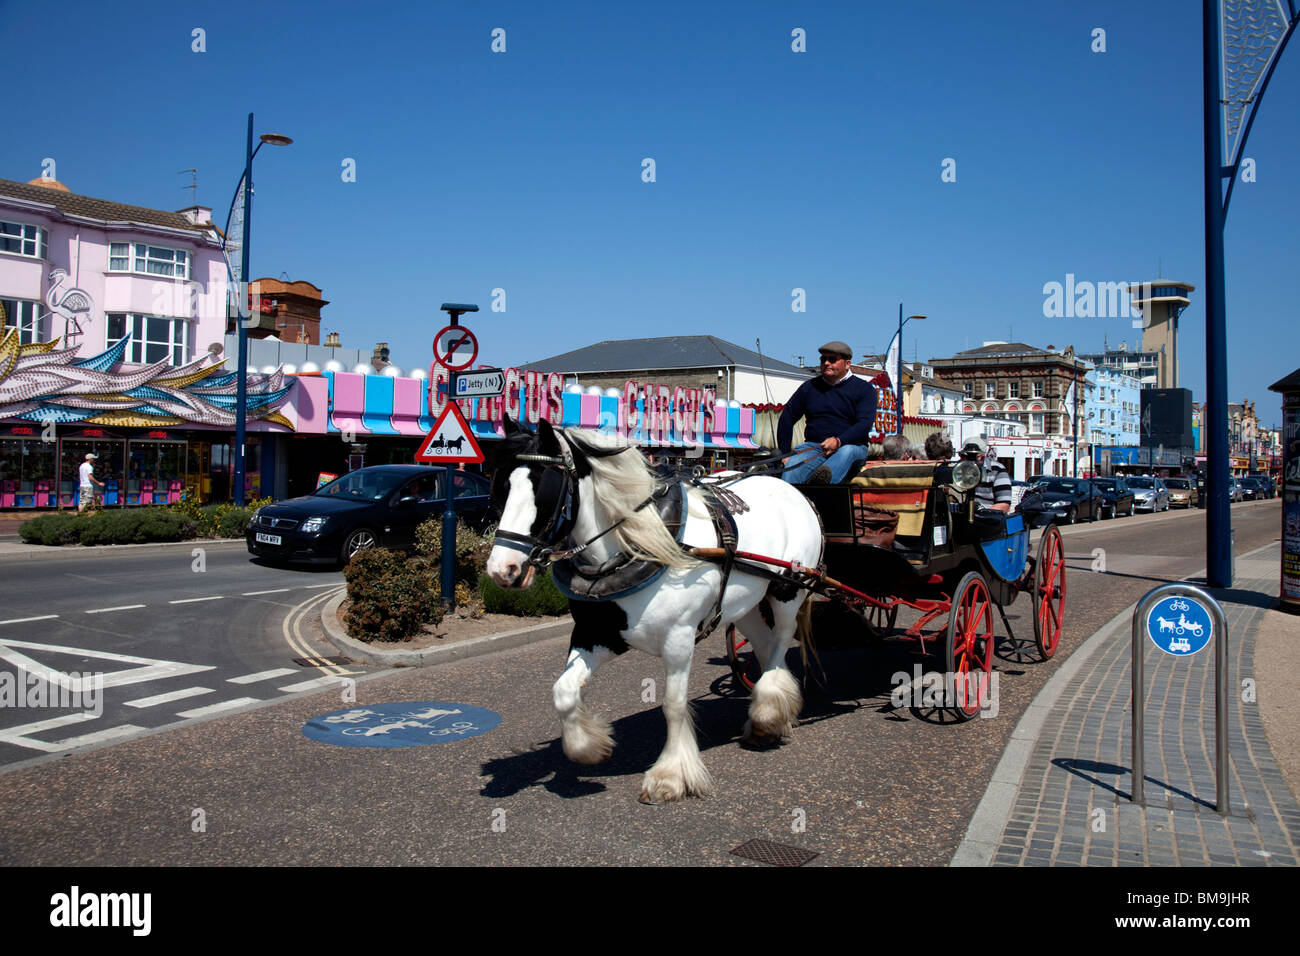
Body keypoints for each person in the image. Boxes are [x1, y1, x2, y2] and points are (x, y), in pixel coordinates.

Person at [777, 341, 877, 484]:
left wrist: (839, 441)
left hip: (852, 447)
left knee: (845, 453)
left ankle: (821, 486)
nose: (827, 363)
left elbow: (864, 424)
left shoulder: (865, 390)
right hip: (814, 447)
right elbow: (786, 418)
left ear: (847, 364)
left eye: (832, 359)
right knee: (792, 470)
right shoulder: (809, 387)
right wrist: (785, 455)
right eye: (823, 359)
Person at [960, 437, 1011, 513]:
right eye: (964, 456)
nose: (968, 461)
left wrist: (980, 512)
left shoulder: (996, 470)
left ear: (982, 457)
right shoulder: (957, 470)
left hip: (987, 520)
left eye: (973, 457)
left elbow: (1004, 505)